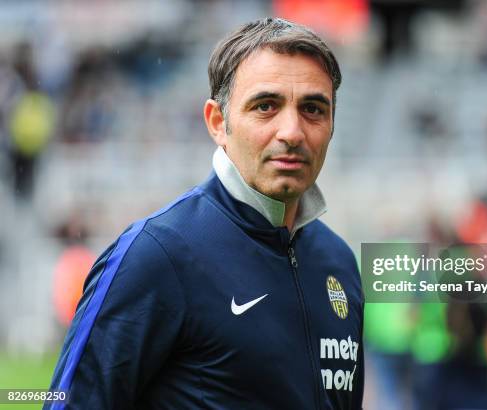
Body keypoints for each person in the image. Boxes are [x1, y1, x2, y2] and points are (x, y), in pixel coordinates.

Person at [46, 17, 364, 410]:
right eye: (266, 106)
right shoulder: (156, 255)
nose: (292, 132)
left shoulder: (340, 263)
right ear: (218, 123)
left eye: (313, 109)